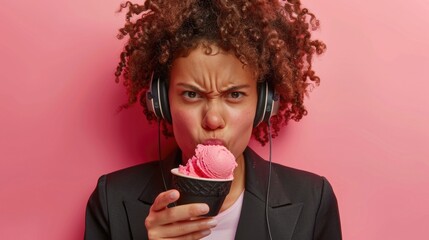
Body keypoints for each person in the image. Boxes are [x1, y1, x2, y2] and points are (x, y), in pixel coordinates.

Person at [85, 0, 341, 239]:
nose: (213, 119)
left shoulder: (313, 200)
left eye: (235, 95)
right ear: (162, 102)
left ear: (264, 104)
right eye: (192, 94)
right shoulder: (111, 200)